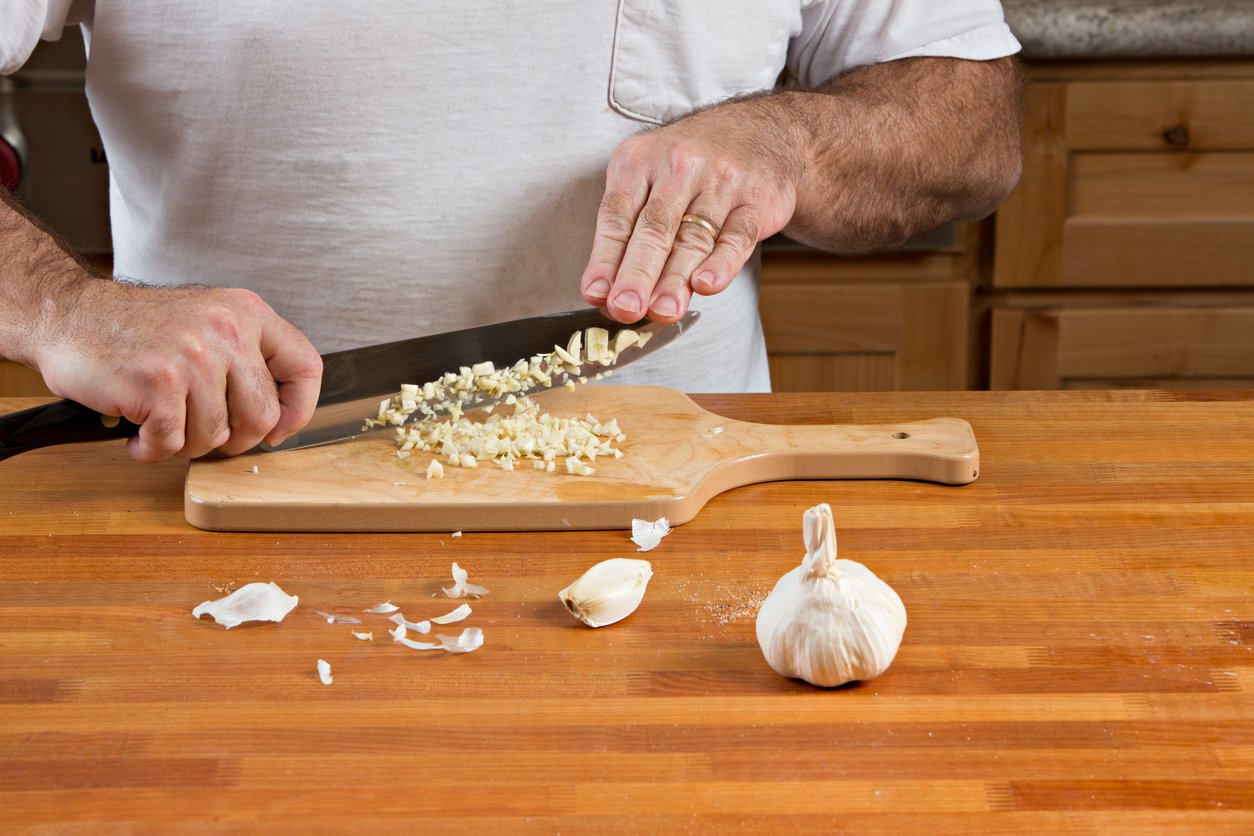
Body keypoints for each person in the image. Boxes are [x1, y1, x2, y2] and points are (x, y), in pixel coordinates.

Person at [0, 2, 1023, 463]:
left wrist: (794, 143)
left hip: (672, 510)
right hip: (219, 498)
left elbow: (970, 124)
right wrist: (60, 304)